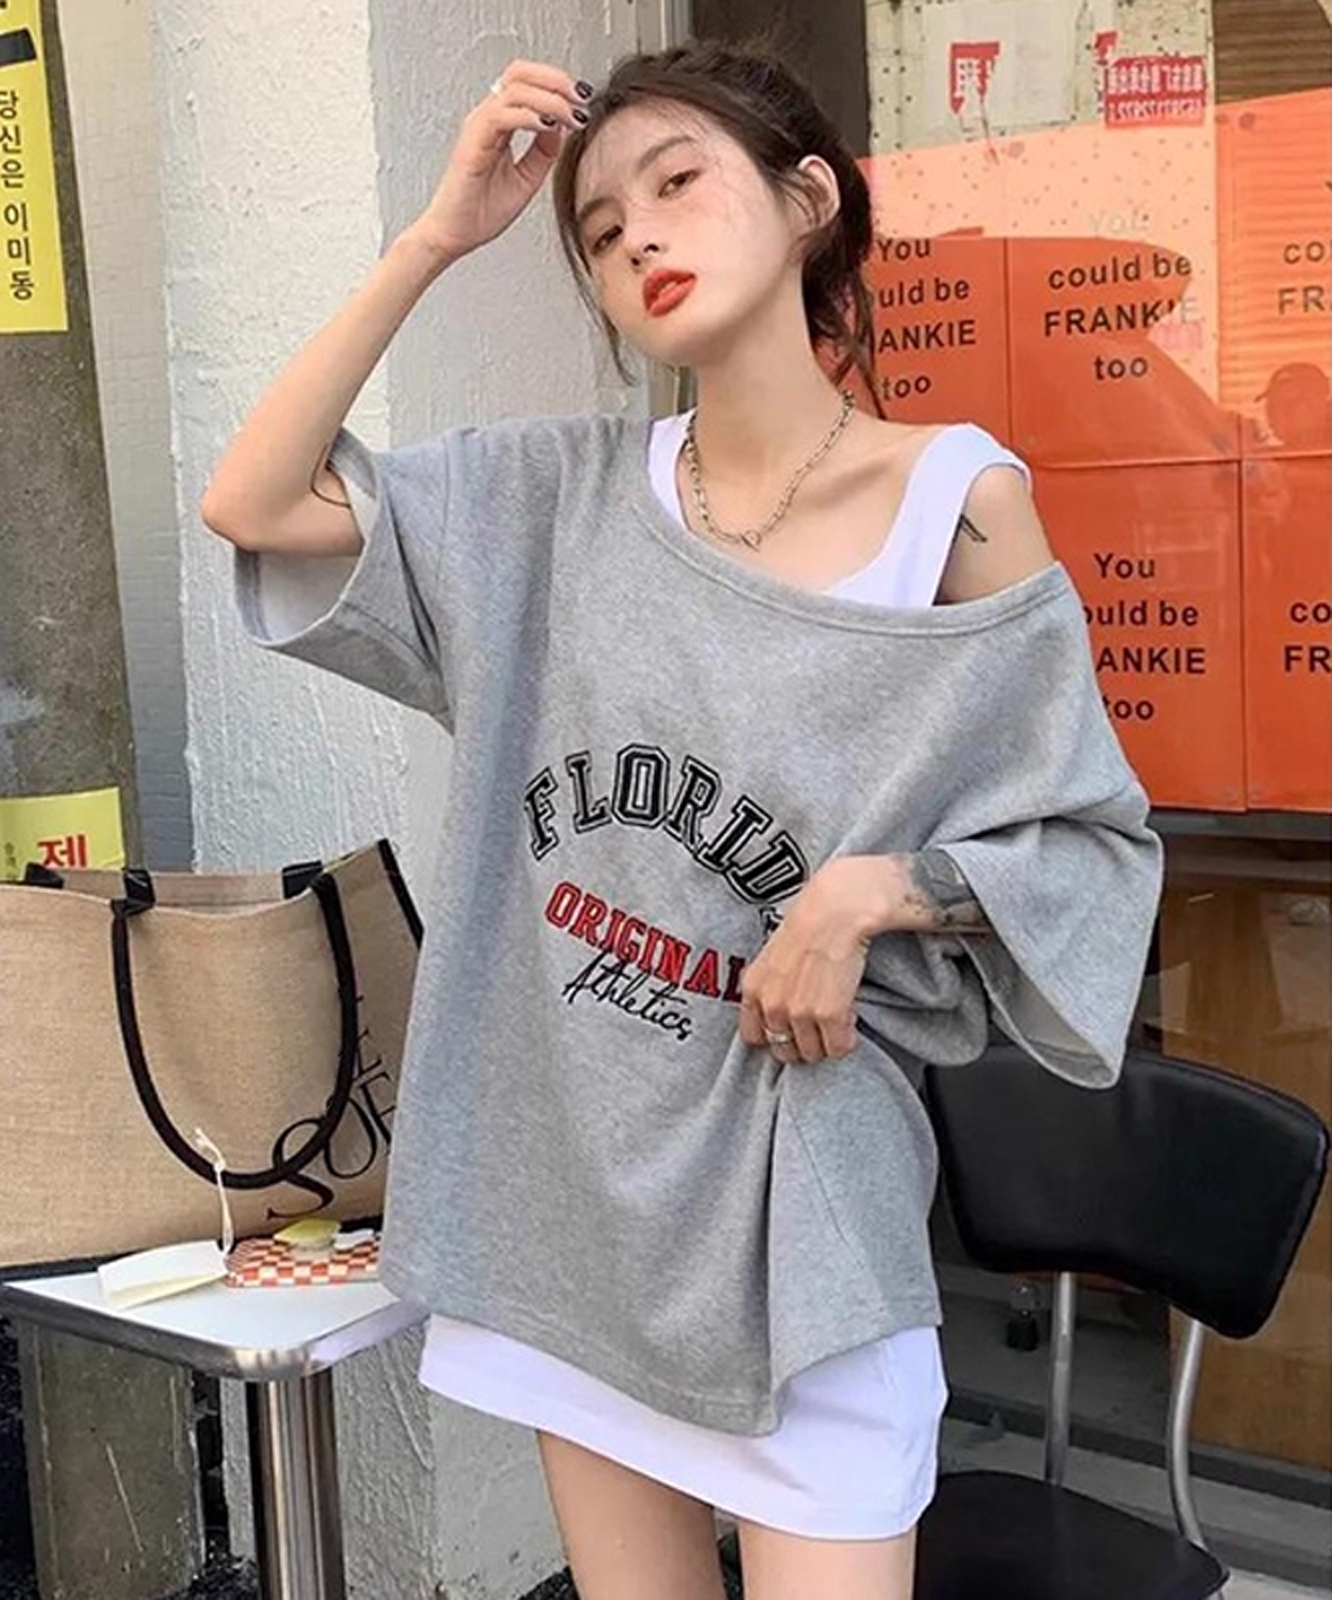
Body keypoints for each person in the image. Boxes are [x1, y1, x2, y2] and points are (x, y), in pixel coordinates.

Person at [202, 39, 1162, 1600]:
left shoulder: (955, 505)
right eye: (598, 229)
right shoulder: (548, 501)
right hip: (575, 1202)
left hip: (805, 1231)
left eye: (677, 183)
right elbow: (252, 501)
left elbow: (1089, 846)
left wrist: (871, 894)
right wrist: (438, 238)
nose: (638, 235)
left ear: (807, 200)